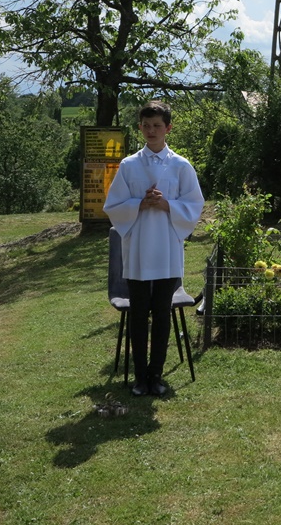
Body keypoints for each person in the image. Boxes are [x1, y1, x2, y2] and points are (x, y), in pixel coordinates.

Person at [104, 100, 204, 397]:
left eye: (157, 126)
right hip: (137, 249)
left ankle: (156, 374)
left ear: (168, 128)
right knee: (138, 315)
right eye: (146, 125)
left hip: (167, 249)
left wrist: (166, 204)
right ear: (140, 127)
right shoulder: (129, 165)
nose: (151, 130)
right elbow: (114, 205)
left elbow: (194, 204)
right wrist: (140, 203)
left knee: (162, 313)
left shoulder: (181, 165)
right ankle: (139, 377)